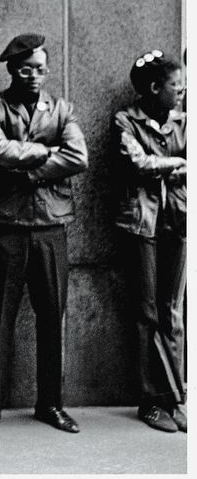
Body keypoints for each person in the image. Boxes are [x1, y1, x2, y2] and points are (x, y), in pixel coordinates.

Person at [0, 33, 87, 436]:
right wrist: (45, 152)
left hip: (51, 227)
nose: (34, 76)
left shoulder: (63, 109)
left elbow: (79, 156)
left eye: (40, 68)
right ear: (12, 70)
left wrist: (29, 170)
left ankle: (51, 404)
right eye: (26, 69)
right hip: (5, 226)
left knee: (52, 318)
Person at [112, 50, 186, 433]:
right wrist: (177, 163)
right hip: (141, 225)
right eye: (176, 85)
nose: (182, 90)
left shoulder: (184, 121)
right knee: (147, 313)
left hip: (178, 221)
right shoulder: (125, 120)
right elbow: (137, 163)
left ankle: (176, 397)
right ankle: (150, 400)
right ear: (155, 88)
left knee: (172, 311)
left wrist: (165, 167)